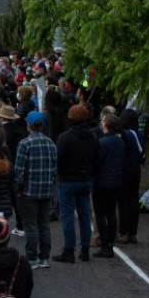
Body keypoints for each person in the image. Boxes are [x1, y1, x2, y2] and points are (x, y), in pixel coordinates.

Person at [53, 105, 100, 264]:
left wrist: (59, 174)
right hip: (86, 179)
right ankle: (85, 249)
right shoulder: (93, 137)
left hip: (68, 179)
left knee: (67, 215)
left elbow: (59, 160)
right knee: (85, 214)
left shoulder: (65, 137)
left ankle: (69, 249)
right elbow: (97, 157)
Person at [14, 111, 57, 268]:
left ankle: (31, 257)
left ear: (28, 125)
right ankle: (44, 257)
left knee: (30, 225)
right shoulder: (50, 143)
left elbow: (18, 170)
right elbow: (54, 168)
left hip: (29, 191)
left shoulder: (25, 144)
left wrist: (17, 189)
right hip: (46, 190)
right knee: (44, 224)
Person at [92, 113, 124, 259]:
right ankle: (111, 241)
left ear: (106, 125)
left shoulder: (102, 142)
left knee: (100, 214)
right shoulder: (120, 141)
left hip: (102, 181)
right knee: (111, 212)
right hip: (116, 180)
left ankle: (105, 243)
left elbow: (97, 161)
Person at [116, 109, 144, 245]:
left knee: (123, 203)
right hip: (136, 171)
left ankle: (124, 232)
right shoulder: (139, 134)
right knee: (133, 201)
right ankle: (133, 232)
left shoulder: (125, 134)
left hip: (124, 171)